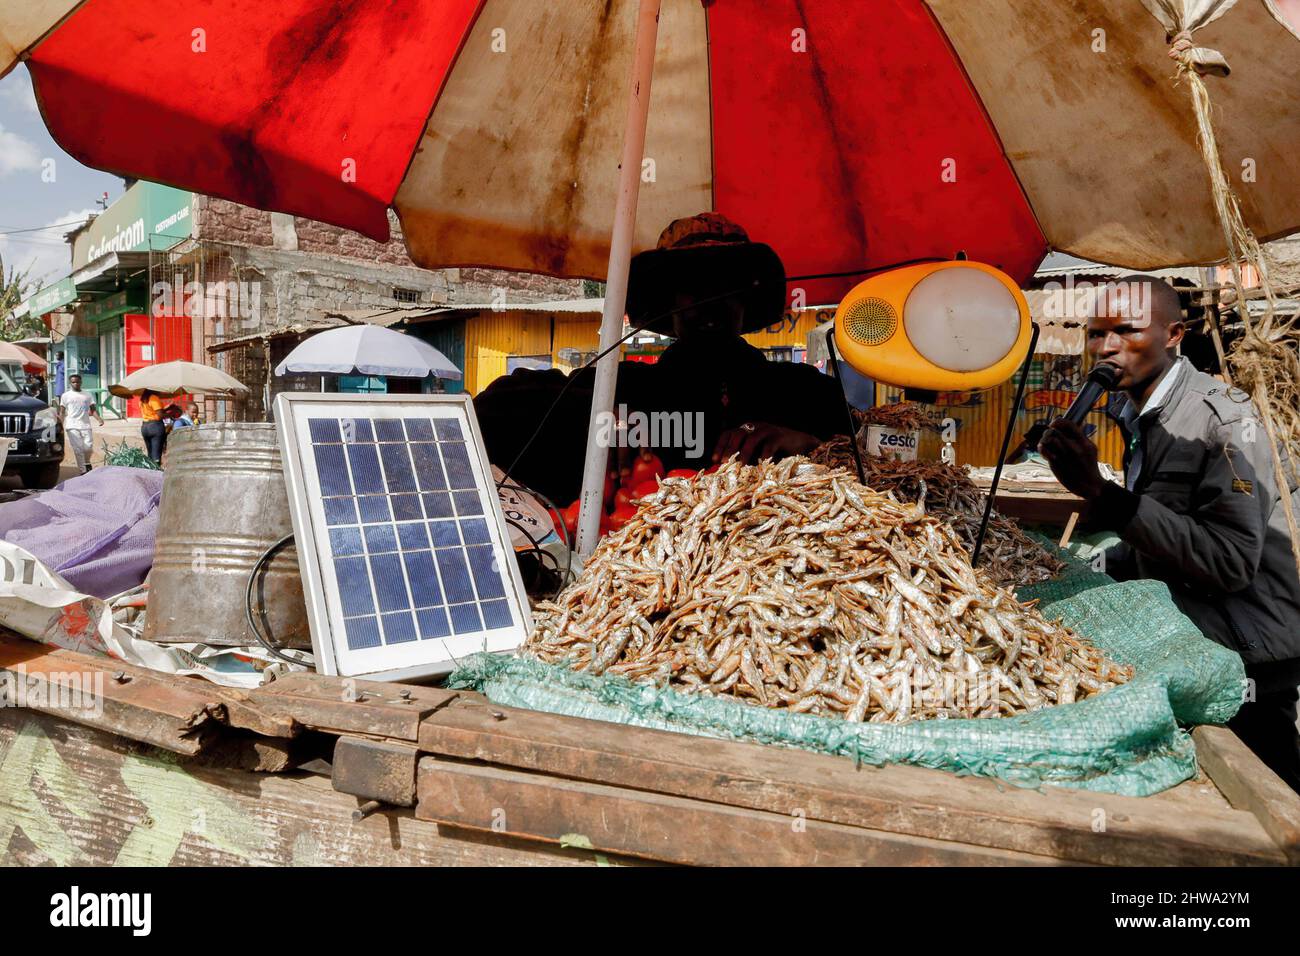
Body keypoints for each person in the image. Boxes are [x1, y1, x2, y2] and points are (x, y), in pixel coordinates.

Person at [1039, 276, 1300, 793]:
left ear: (1174, 334)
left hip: (1247, 650)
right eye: (1095, 334)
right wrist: (1074, 568)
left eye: (1126, 331)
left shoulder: (1223, 418)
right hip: (1199, 639)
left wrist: (1104, 497)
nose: (1107, 346)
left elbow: (1228, 563)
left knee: (1267, 790)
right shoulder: (1137, 410)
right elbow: (1159, 531)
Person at [473, 213, 848, 505]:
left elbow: (880, 453)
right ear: (666, 303)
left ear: (746, 298)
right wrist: (596, 414)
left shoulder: (803, 391)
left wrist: (814, 447)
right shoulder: (626, 387)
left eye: (725, 285)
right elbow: (495, 407)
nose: (711, 302)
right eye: (693, 288)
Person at [57, 373, 103, 474]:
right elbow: (62, 412)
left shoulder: (87, 395)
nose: (76, 384)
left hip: (85, 425)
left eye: (77, 382)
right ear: (70, 383)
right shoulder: (65, 396)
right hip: (72, 425)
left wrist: (99, 419)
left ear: (81, 382)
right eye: (73, 382)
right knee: (78, 449)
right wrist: (60, 424)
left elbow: (93, 410)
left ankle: (87, 462)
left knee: (88, 447)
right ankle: (83, 471)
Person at [139, 389, 171, 466]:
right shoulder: (154, 398)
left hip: (145, 427)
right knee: (156, 456)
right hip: (155, 427)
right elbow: (160, 415)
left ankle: (149, 472)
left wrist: (168, 408)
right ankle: (156, 473)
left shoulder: (143, 399)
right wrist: (170, 415)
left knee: (150, 454)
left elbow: (153, 411)